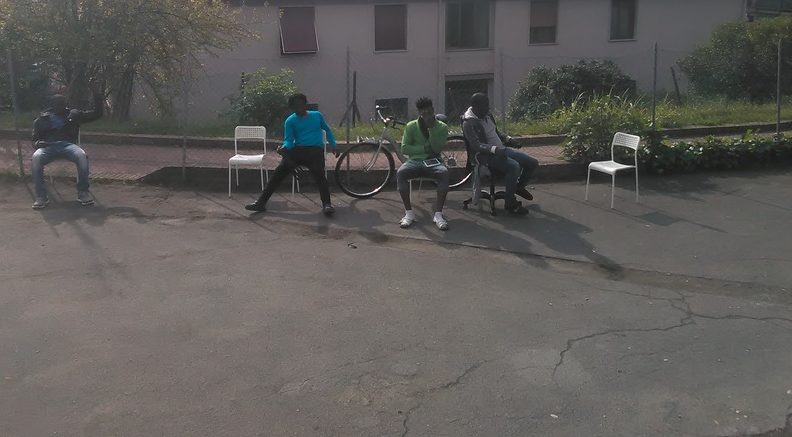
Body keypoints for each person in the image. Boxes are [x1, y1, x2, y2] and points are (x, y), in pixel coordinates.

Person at [245, 93, 338, 215]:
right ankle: (261, 203)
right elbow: (288, 140)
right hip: (298, 150)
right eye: (296, 107)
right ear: (292, 108)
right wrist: (284, 148)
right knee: (279, 172)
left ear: (306, 105)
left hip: (315, 151)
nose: (299, 108)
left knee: (319, 174)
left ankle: (327, 204)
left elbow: (327, 129)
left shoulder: (317, 116)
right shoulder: (290, 121)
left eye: (301, 105)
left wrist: (333, 145)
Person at [462, 93, 538, 215]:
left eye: (487, 106)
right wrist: (494, 150)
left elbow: (496, 133)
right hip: (485, 157)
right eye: (484, 107)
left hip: (501, 150)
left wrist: (508, 139)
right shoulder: (468, 123)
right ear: (475, 107)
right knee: (514, 166)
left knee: (532, 162)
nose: (487, 109)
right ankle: (510, 203)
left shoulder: (488, 115)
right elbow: (476, 145)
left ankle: (518, 187)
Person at [31, 83, 104, 209]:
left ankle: (83, 193)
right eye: (57, 104)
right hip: (48, 147)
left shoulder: (74, 114)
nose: (61, 106)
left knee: (82, 156)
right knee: (36, 158)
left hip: (69, 146)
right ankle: (41, 197)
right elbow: (34, 139)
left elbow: (97, 113)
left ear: (66, 104)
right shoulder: (41, 119)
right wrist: (38, 144)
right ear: (52, 106)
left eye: (63, 104)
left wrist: (96, 94)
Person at [396, 97, 450, 231]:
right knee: (401, 173)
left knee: (444, 173)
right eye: (423, 112)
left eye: (429, 111)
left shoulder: (442, 127)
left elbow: (437, 149)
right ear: (420, 113)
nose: (427, 114)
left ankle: (438, 214)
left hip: (434, 161)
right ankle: (409, 213)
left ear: (433, 110)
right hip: (415, 161)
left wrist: (430, 130)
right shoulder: (411, 126)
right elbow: (404, 148)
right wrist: (422, 149)